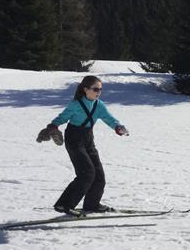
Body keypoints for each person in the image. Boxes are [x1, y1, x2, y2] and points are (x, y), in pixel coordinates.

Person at [36, 75, 129, 216]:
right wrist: (52, 127)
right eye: (96, 89)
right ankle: (64, 204)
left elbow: (109, 118)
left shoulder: (99, 105)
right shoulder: (76, 104)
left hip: (88, 140)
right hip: (74, 140)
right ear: (86, 89)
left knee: (99, 175)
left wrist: (118, 127)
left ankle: (92, 204)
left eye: (101, 89)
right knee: (86, 173)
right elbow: (62, 117)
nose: (99, 92)